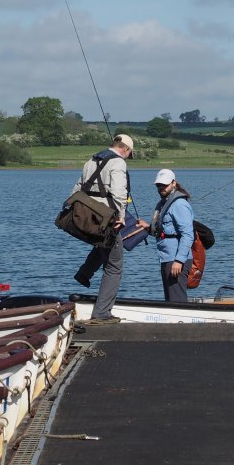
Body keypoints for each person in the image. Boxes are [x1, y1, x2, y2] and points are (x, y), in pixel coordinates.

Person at [72, 133, 135, 324]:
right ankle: (102, 313)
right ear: (126, 149)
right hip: (107, 218)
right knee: (114, 266)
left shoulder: (91, 160)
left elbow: (77, 188)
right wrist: (122, 217)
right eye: (129, 154)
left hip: (89, 216)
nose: (127, 158)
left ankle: (84, 273)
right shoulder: (118, 163)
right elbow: (118, 193)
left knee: (103, 245)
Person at [151, 168, 194, 303]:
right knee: (170, 300)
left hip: (176, 260)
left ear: (174, 183)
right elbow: (166, 231)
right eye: (159, 185)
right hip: (166, 257)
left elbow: (188, 235)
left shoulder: (179, 204)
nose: (161, 188)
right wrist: (147, 227)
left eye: (165, 184)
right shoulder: (165, 203)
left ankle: (181, 323)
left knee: (177, 300)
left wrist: (179, 260)